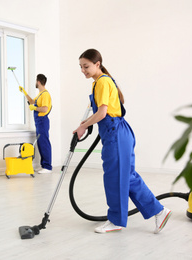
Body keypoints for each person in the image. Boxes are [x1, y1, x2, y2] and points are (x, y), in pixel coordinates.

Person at [74, 49, 171, 234]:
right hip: (119, 132)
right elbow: (103, 112)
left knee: (115, 178)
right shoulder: (100, 82)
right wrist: (85, 122)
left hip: (115, 133)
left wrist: (83, 126)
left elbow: (102, 113)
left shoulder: (102, 81)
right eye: (80, 67)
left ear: (97, 64)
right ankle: (160, 212)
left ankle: (116, 220)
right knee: (127, 177)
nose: (83, 70)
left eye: (86, 66)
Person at [19, 74, 53, 174]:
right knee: (40, 143)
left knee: (44, 143)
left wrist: (34, 108)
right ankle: (44, 166)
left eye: (35, 81)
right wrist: (24, 92)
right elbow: (32, 101)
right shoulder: (40, 94)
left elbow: (45, 108)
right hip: (39, 122)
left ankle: (48, 167)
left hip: (42, 120)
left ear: (38, 82)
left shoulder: (45, 94)